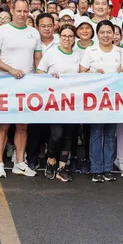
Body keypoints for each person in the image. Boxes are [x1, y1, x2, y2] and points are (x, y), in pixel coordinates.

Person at [0, 0, 41, 178]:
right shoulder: (1, 31)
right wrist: (10, 70)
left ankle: (19, 162)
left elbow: (38, 60)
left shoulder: (34, 33)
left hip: (26, 86)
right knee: (3, 125)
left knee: (23, 126)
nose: (22, 14)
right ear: (12, 11)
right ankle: (0, 163)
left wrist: (43, 77)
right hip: (5, 84)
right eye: (18, 11)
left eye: (25, 11)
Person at [81, 20, 123, 183]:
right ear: (97, 34)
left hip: (114, 99)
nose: (106, 35)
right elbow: (81, 72)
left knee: (109, 134)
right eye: (102, 32)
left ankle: (107, 168)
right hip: (95, 100)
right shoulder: (90, 51)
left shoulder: (120, 52)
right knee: (96, 133)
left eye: (109, 32)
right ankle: (96, 169)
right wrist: (93, 73)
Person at [37, 24, 82, 182]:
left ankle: (62, 167)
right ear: (59, 37)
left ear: (74, 38)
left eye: (70, 36)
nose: (67, 39)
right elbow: (39, 73)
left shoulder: (78, 55)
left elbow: (84, 75)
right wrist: (50, 78)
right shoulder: (51, 53)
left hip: (72, 102)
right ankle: (51, 161)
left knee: (69, 136)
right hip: (54, 102)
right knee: (57, 135)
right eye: (64, 36)